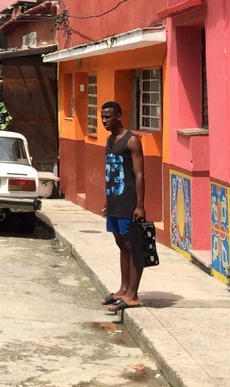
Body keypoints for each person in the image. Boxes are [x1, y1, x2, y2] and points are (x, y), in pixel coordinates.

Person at [100, 101, 146, 314]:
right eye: (102, 117)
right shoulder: (110, 140)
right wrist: (107, 201)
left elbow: (139, 174)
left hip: (129, 202)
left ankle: (133, 295)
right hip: (114, 202)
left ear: (118, 115)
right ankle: (123, 289)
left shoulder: (132, 141)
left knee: (133, 245)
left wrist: (140, 205)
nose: (104, 121)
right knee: (121, 244)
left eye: (108, 116)